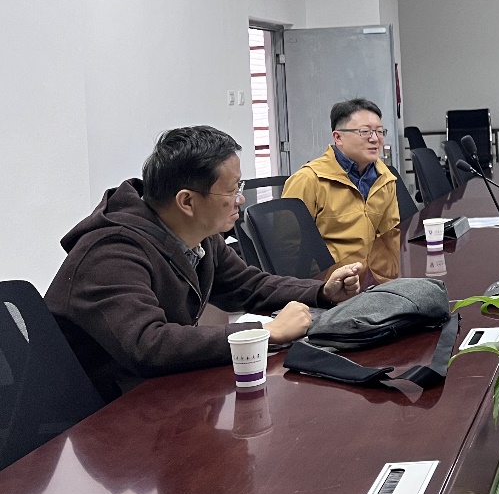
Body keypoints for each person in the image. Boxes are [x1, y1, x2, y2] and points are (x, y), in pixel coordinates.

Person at [45, 126, 362, 401]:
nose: (241, 199)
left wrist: (322, 292)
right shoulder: (111, 252)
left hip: (157, 390)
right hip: (103, 414)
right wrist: (265, 332)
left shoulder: (198, 234)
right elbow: (148, 345)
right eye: (232, 190)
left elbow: (248, 286)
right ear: (187, 201)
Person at [283, 98, 401, 282]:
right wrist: (323, 284)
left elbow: (389, 237)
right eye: (365, 132)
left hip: (374, 280)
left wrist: (390, 280)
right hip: (331, 283)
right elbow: (288, 248)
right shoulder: (309, 179)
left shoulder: (385, 178)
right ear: (338, 137)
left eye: (379, 131)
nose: (375, 139)